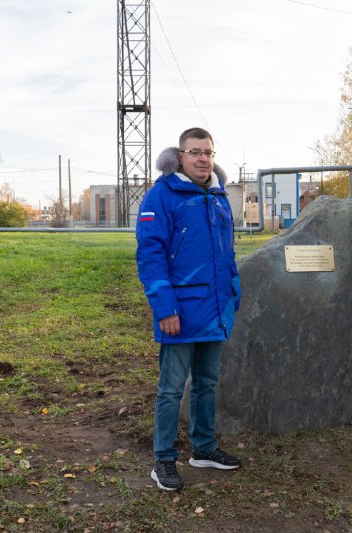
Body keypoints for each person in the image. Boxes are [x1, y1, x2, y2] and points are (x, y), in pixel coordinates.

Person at [136, 127, 242, 491]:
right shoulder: (161, 196)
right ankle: (163, 459)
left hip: (214, 310)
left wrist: (233, 294)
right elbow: (150, 257)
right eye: (195, 152)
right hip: (178, 314)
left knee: (207, 384)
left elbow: (227, 254)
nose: (203, 159)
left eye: (208, 152)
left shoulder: (218, 195)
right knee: (170, 389)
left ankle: (204, 448)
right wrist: (165, 308)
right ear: (179, 156)